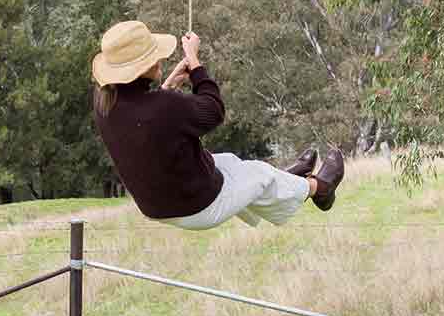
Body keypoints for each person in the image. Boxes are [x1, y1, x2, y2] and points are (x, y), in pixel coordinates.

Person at [91, 19, 344, 230]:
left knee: (233, 163)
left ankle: (288, 180)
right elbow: (213, 111)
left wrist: (167, 86)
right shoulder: (164, 106)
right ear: (142, 67)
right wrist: (196, 64)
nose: (159, 59)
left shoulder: (105, 102)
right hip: (195, 206)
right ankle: (319, 189)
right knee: (259, 175)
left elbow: (146, 119)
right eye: (153, 56)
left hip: (157, 205)